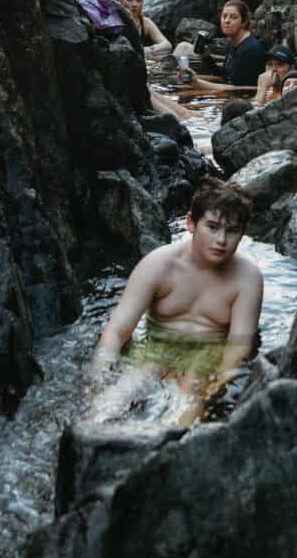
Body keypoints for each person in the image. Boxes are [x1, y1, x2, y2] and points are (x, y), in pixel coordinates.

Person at [90, 178, 263, 427]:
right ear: (191, 222)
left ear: (243, 232)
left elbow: (238, 345)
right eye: (212, 227)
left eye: (232, 230)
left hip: (207, 354)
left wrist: (216, 384)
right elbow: (118, 329)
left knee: (183, 415)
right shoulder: (158, 265)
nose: (221, 240)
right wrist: (101, 372)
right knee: (109, 404)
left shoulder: (247, 278)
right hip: (156, 348)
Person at [185, 0, 267, 95]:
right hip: (234, 94)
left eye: (233, 17)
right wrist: (206, 58)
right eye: (224, 16)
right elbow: (225, 76)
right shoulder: (233, 43)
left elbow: (238, 89)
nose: (226, 21)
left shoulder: (250, 50)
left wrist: (196, 83)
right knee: (179, 81)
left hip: (245, 100)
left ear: (244, 22)